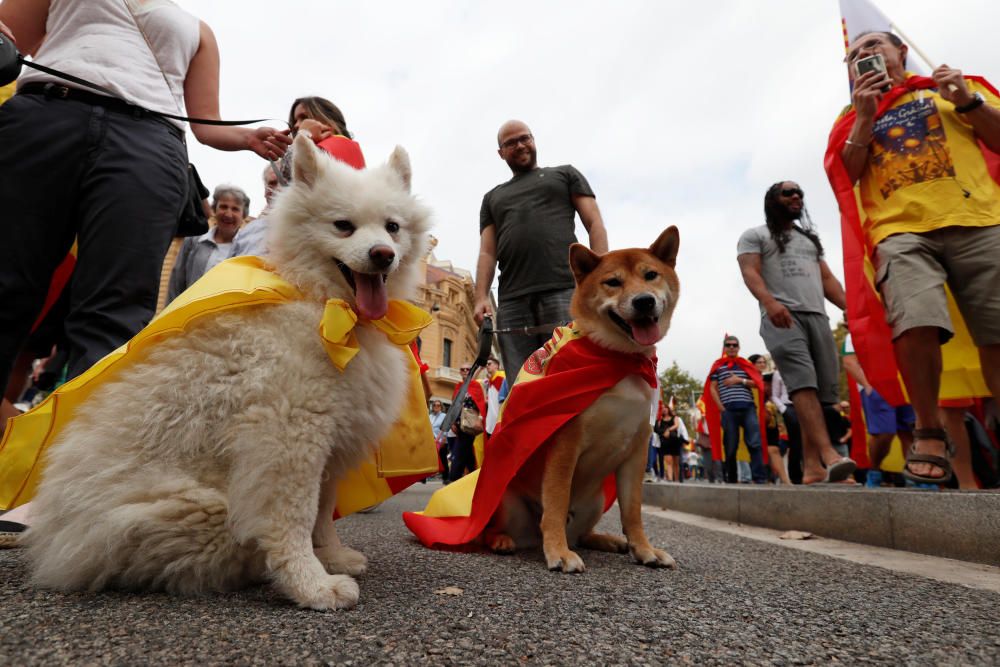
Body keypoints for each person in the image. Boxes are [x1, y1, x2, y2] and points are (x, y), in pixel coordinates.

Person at [0, 1, 290, 410]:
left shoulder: (198, 30)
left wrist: (247, 138)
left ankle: (85, 457)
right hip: (47, 112)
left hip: (148, 141)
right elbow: (10, 34)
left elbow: (205, 123)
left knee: (115, 307)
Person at [828, 31, 1000, 485]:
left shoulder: (954, 87)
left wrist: (966, 101)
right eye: (854, 54)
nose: (864, 55)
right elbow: (844, 180)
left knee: (996, 329)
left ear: (900, 51)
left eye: (872, 46)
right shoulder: (850, 116)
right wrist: (865, 119)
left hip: (980, 218)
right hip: (899, 231)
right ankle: (927, 428)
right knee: (914, 320)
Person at [737, 182, 856, 484]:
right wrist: (770, 302)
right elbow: (749, 271)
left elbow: (827, 279)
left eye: (800, 193)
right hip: (782, 318)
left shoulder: (809, 241)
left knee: (823, 396)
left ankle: (812, 468)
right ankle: (830, 456)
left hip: (818, 317)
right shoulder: (755, 235)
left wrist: (851, 308)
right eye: (788, 192)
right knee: (803, 386)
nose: (795, 197)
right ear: (772, 200)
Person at [474, 120, 609, 378]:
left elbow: (594, 223)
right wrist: (480, 296)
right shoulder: (492, 198)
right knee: (523, 383)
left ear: (534, 140)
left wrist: (600, 273)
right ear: (501, 153)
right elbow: (487, 252)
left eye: (525, 138)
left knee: (571, 374)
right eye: (511, 142)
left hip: (565, 288)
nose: (520, 145)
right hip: (512, 300)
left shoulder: (565, 174)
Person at [232, 96, 364, 258]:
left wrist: (304, 134)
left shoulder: (339, 143)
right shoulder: (341, 146)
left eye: (304, 117)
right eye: (295, 120)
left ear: (326, 118)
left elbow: (290, 171)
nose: (295, 125)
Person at [167, 185, 249, 302]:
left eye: (235, 209)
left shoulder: (247, 248)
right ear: (214, 210)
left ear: (243, 216)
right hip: (190, 313)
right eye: (223, 207)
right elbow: (177, 281)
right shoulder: (194, 240)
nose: (228, 214)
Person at [706, 336, 767, 484]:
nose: (732, 347)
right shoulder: (718, 366)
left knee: (754, 442)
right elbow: (712, 388)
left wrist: (740, 380)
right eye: (729, 345)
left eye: (735, 345)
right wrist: (721, 408)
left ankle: (759, 478)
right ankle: (731, 480)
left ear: (739, 347)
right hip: (729, 411)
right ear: (725, 348)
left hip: (748, 408)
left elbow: (758, 383)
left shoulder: (745, 364)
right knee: (730, 446)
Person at [449, 363, 485, 482]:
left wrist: (480, 419)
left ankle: (453, 478)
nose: (465, 371)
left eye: (467, 369)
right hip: (459, 425)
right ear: (460, 372)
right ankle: (475, 478)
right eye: (462, 369)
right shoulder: (458, 387)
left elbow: (481, 405)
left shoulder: (476, 386)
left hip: (470, 424)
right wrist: (452, 423)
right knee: (468, 453)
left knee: (459, 453)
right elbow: (453, 406)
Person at [428, 400, 448, 481]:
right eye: (435, 405)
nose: (436, 407)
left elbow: (446, 427)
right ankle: (428, 475)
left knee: (443, 459)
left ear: (441, 407)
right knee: (431, 458)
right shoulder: (430, 416)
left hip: (441, 440)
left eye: (438, 405)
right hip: (432, 440)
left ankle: (445, 476)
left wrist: (444, 438)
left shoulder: (444, 416)